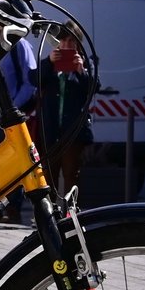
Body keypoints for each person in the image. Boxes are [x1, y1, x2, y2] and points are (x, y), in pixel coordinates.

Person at [0, 31, 38, 223]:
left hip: (10, 114)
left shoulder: (19, 45)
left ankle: (13, 207)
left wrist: (12, 109)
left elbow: (30, 82)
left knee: (14, 163)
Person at [38, 33, 95, 201]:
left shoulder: (84, 62)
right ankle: (51, 213)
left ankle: (71, 212)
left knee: (71, 173)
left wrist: (81, 71)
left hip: (73, 130)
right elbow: (33, 78)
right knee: (49, 174)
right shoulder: (51, 60)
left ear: (78, 43)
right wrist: (49, 62)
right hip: (51, 129)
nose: (67, 44)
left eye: (71, 41)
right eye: (63, 40)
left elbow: (94, 86)